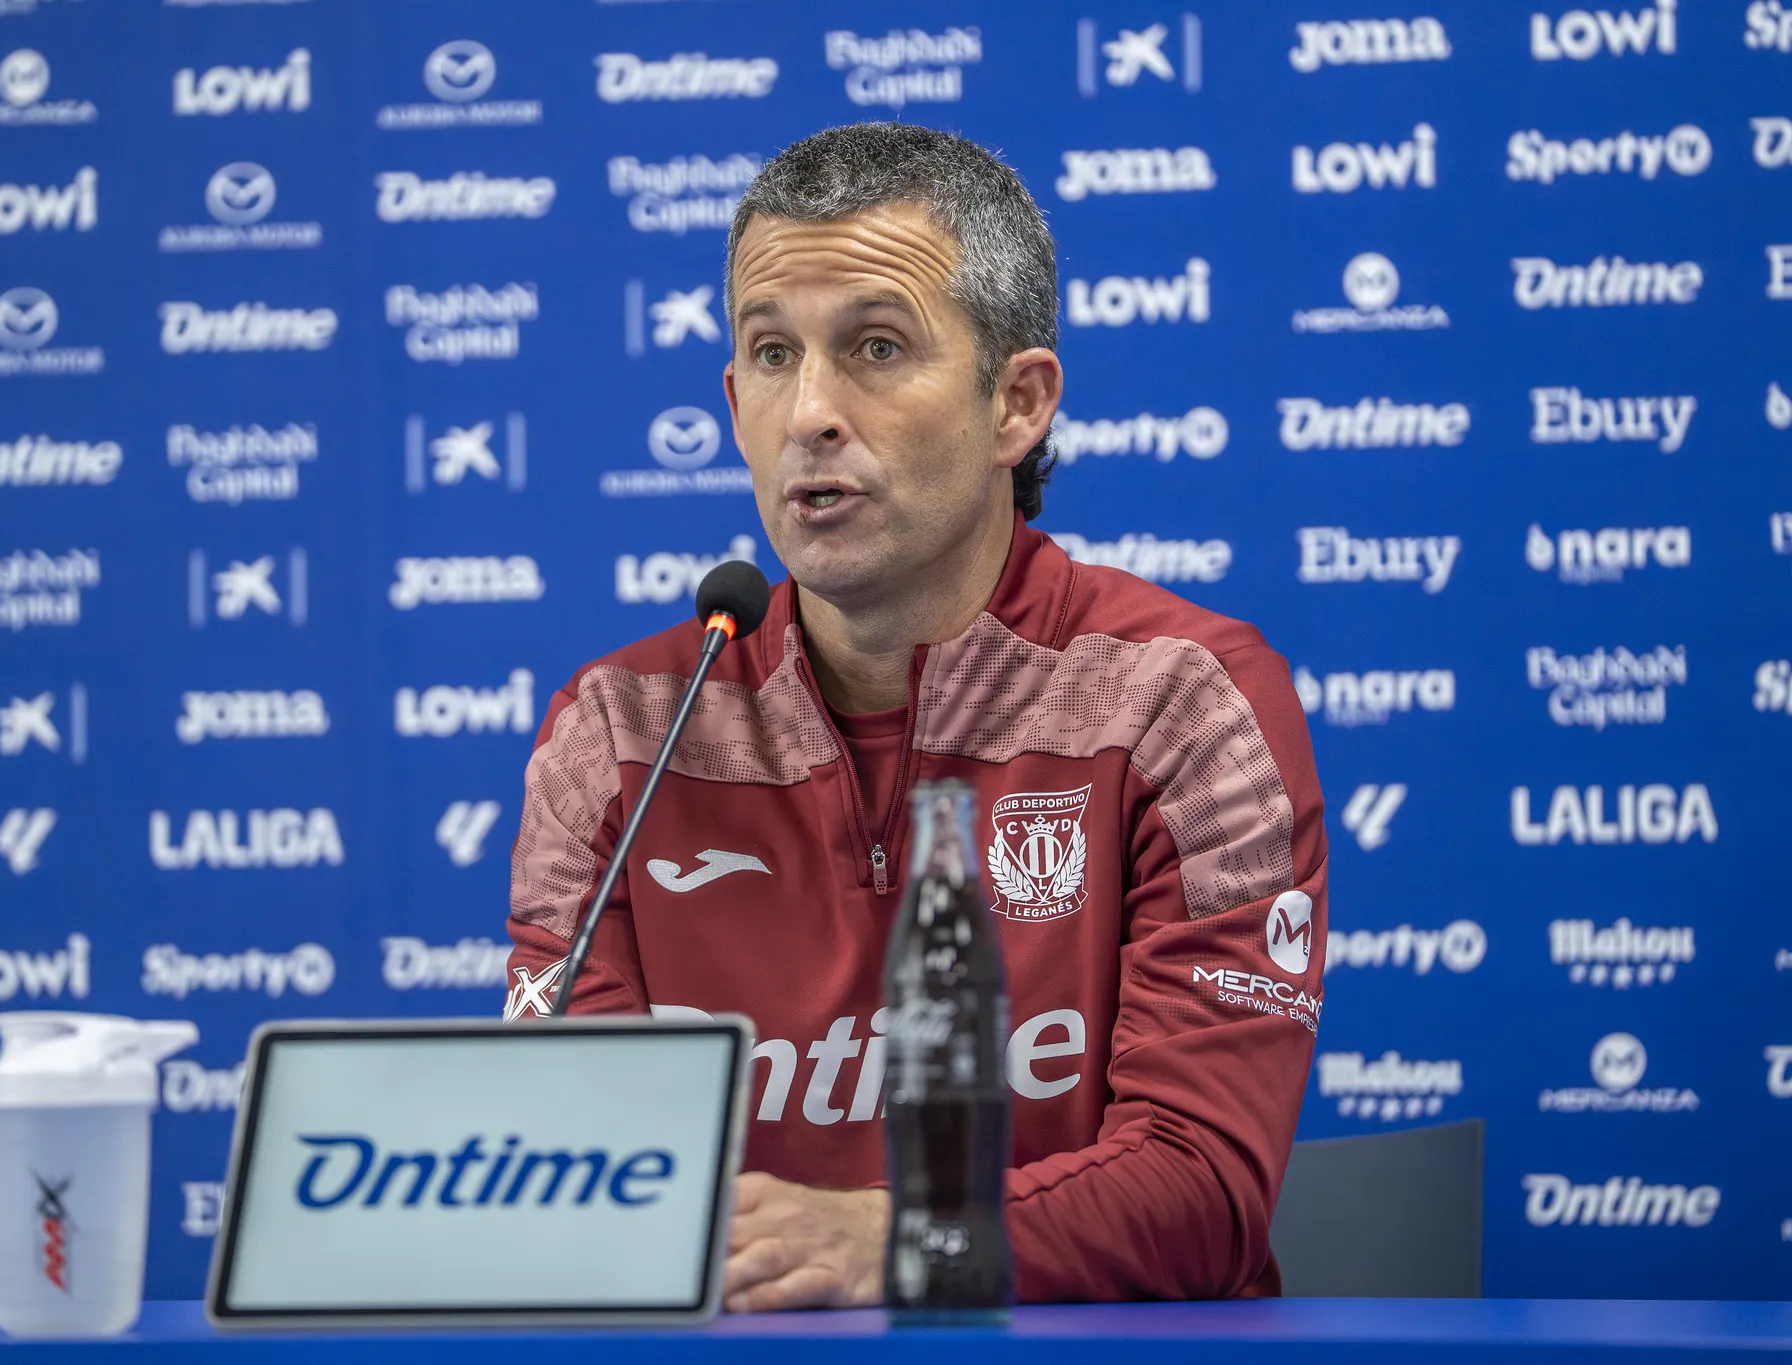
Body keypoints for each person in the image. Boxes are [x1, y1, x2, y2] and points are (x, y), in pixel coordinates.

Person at [502, 122, 1328, 1310]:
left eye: (876, 347)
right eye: (771, 355)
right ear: (732, 403)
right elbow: (574, 1178)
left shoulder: (1180, 702)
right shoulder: (619, 732)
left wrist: (891, 1244)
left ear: (1016, 404)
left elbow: (1200, 1186)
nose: (809, 413)